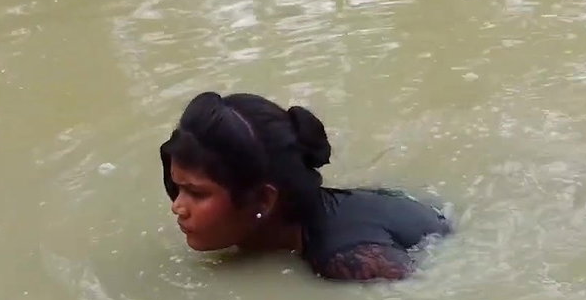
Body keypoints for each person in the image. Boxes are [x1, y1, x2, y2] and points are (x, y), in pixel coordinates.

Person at [159, 91, 451, 282]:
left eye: (197, 193)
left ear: (263, 200)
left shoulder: (350, 261)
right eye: (178, 187)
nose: (178, 207)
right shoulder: (268, 229)